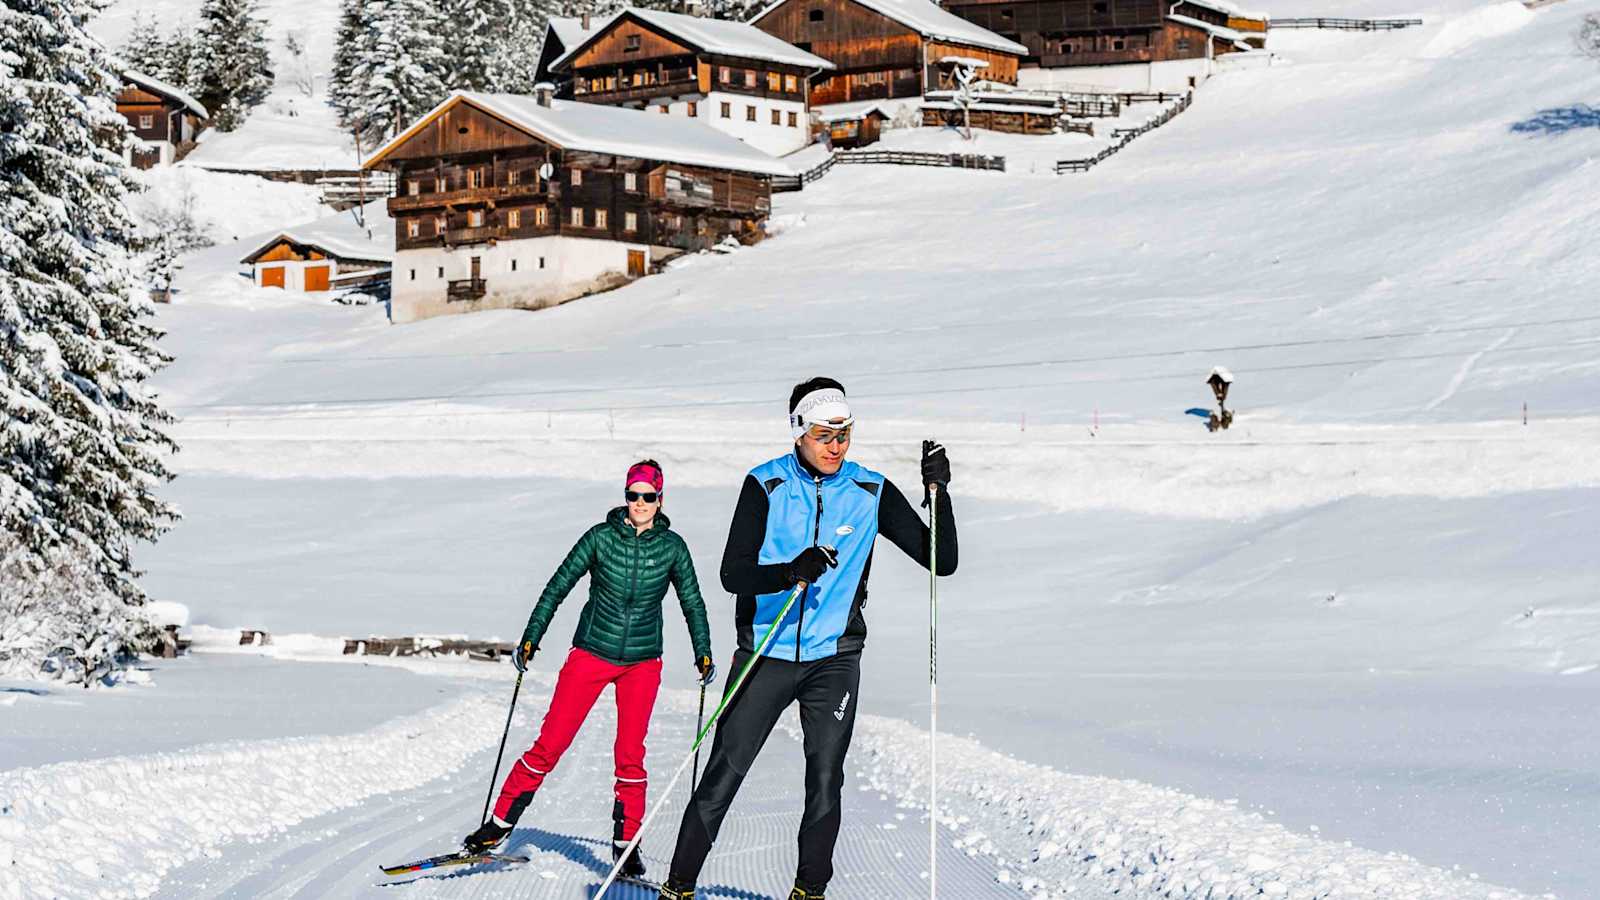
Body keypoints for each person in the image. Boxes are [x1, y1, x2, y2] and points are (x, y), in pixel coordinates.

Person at [657, 378, 957, 900]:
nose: (836, 446)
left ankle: (809, 891)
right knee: (724, 774)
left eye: (845, 434)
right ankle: (679, 886)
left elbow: (942, 561)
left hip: (833, 659)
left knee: (825, 780)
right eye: (824, 434)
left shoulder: (869, 490)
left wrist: (940, 495)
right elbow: (734, 574)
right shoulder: (765, 484)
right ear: (799, 431)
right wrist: (790, 570)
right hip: (765, 652)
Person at [464, 460, 716, 882]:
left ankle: (626, 847)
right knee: (551, 743)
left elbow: (692, 601)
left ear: (660, 499)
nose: (640, 503)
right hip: (591, 654)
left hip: (642, 662)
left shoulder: (672, 547)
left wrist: (703, 651)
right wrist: (532, 635)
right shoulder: (599, 538)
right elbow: (558, 584)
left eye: (648, 496)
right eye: (633, 495)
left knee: (630, 755)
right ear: (625, 497)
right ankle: (500, 825)